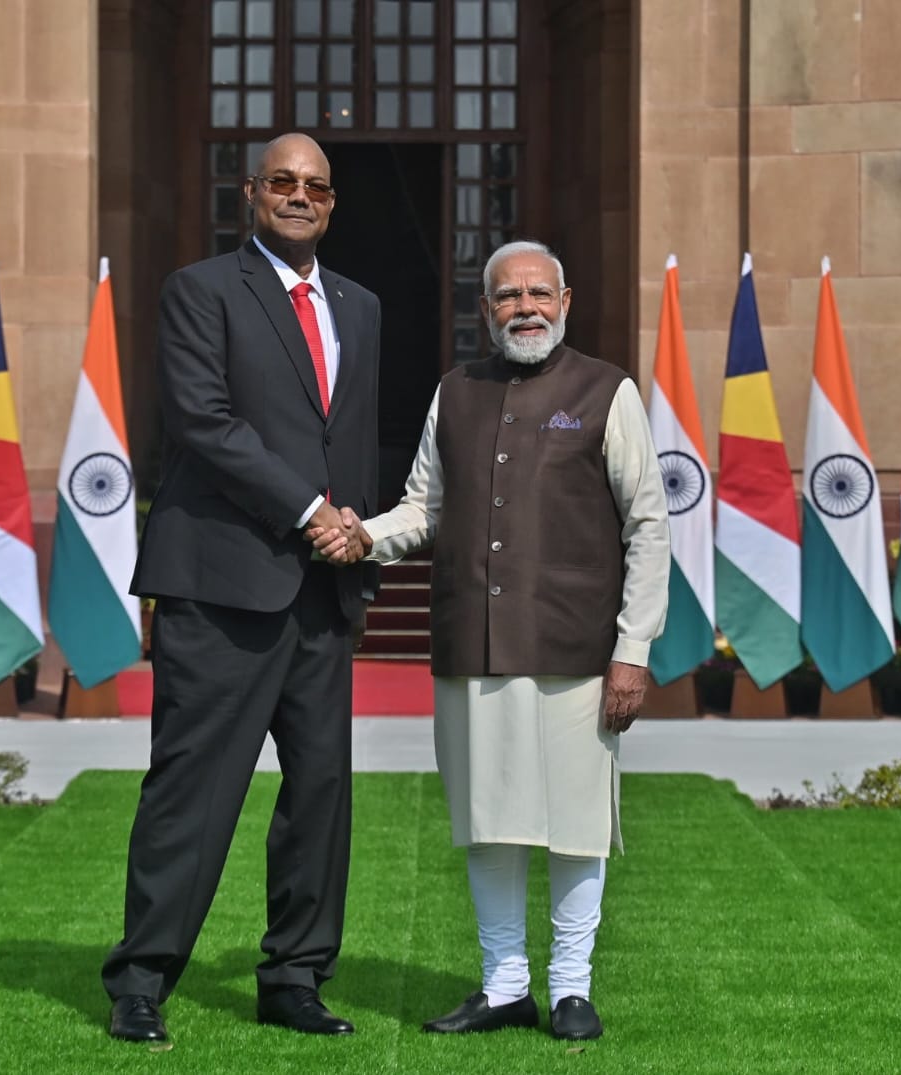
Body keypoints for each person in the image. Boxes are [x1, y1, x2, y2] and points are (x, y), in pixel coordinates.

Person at [313, 239, 670, 1041]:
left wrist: (633, 649)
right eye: (508, 297)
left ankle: (571, 985)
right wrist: (363, 536)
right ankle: (504, 983)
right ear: (485, 310)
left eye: (539, 294)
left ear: (566, 300)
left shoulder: (607, 391)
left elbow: (649, 526)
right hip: (472, 648)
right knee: (489, 820)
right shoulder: (456, 392)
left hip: (581, 653)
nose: (526, 308)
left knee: (577, 824)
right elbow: (425, 507)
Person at [103, 132, 380, 1044]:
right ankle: (141, 979)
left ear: (332, 203)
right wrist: (311, 511)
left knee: (319, 792)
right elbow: (204, 423)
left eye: (316, 186)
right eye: (282, 183)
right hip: (222, 585)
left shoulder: (360, 307)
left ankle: (295, 974)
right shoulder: (201, 290)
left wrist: (357, 531)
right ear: (251, 192)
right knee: (195, 787)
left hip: (321, 592)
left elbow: (351, 441)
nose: (299, 196)